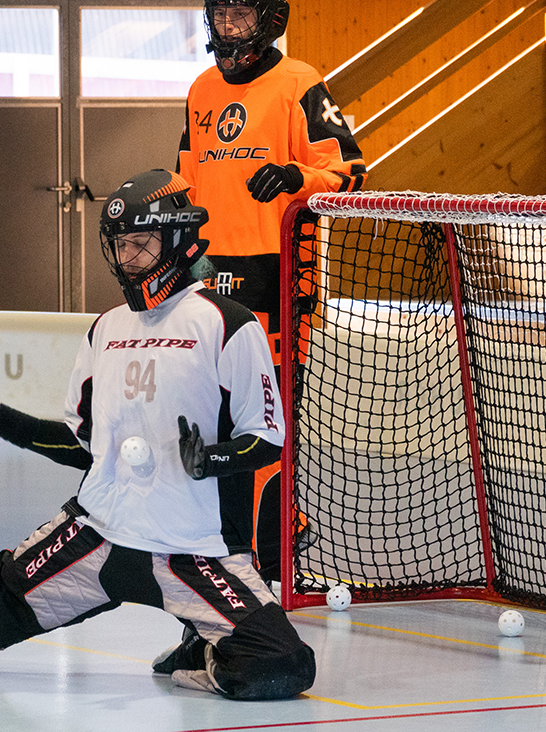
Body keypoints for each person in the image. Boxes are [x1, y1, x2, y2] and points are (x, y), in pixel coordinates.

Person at [0, 169, 316, 701]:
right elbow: (84, 447)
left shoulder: (230, 324)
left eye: (142, 244)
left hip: (194, 551)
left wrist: (213, 460)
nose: (129, 259)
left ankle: (202, 648)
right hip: (96, 534)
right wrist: (4, 421)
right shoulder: (105, 329)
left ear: (180, 239)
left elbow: (269, 439)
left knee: (281, 667)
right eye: (120, 246)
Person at [179, 0, 367, 581]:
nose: (229, 26)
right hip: (209, 277)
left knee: (269, 412)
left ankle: (276, 544)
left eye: (242, 14)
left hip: (280, 272)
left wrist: (296, 176)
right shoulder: (201, 89)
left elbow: (351, 170)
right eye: (221, 14)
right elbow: (185, 182)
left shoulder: (300, 83)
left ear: (271, 19)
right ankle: (236, 544)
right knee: (217, 414)